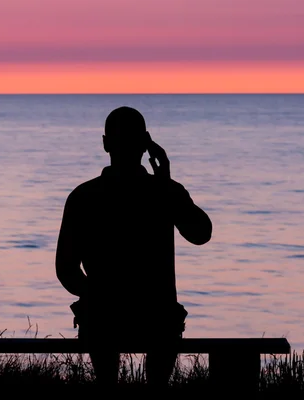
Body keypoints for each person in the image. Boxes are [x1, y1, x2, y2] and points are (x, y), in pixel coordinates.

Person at [55, 106, 212, 385]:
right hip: (157, 317)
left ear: (105, 144)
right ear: (146, 142)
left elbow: (66, 270)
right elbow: (201, 233)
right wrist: (166, 184)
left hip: (104, 317)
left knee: (107, 380)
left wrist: (97, 294)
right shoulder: (164, 191)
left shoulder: (84, 196)